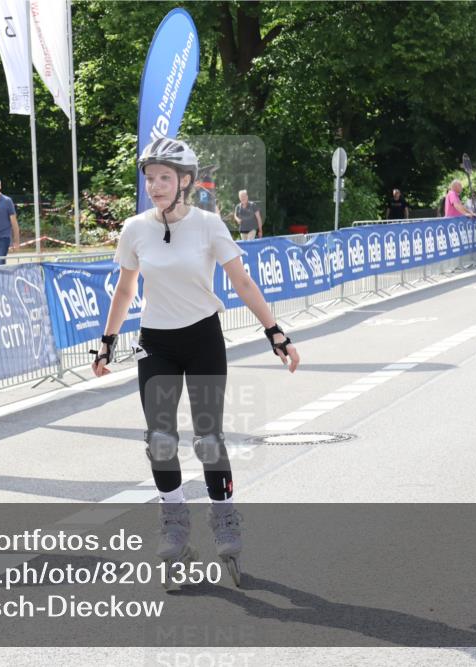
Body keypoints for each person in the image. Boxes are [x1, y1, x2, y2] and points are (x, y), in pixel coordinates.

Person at [91, 137, 300, 585]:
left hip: (203, 337)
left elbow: (241, 282)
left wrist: (274, 331)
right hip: (157, 344)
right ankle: (174, 524)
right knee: (161, 440)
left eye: (165, 178)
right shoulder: (135, 229)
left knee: (208, 440)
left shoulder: (208, 225)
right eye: (150, 179)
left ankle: (224, 518)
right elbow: (126, 291)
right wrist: (107, 340)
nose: (155, 186)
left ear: (185, 181)